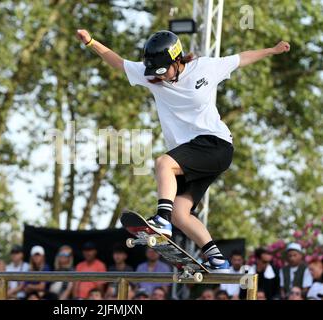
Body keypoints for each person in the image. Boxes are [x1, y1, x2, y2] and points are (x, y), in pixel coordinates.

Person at [76, 29, 290, 272]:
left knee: (163, 164)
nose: (161, 78)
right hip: (191, 154)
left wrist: (272, 50)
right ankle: (217, 259)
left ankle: (162, 220)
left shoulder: (205, 68)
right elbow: (118, 62)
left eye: (164, 71)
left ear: (178, 61)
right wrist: (91, 42)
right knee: (181, 212)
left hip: (215, 145)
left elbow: (242, 58)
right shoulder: (152, 76)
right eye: (155, 73)